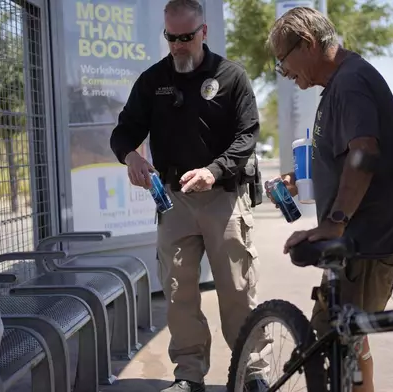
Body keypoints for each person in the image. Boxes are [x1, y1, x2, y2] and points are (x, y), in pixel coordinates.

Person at [110, 1, 268, 391]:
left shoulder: (231, 76)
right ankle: (189, 376)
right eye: (171, 37)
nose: (178, 45)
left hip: (224, 199)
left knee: (236, 290)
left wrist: (213, 172)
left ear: (204, 32)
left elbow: (247, 136)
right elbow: (123, 131)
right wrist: (130, 156)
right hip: (174, 202)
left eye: (186, 37)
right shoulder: (152, 80)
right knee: (179, 292)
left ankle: (253, 372)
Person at [266, 7, 393, 392]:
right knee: (347, 343)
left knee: (331, 347)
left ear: (309, 44)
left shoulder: (349, 82)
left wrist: (334, 221)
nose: (284, 72)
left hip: (363, 244)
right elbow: (343, 155)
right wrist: (299, 180)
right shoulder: (339, 84)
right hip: (355, 242)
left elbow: (363, 152)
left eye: (284, 60)